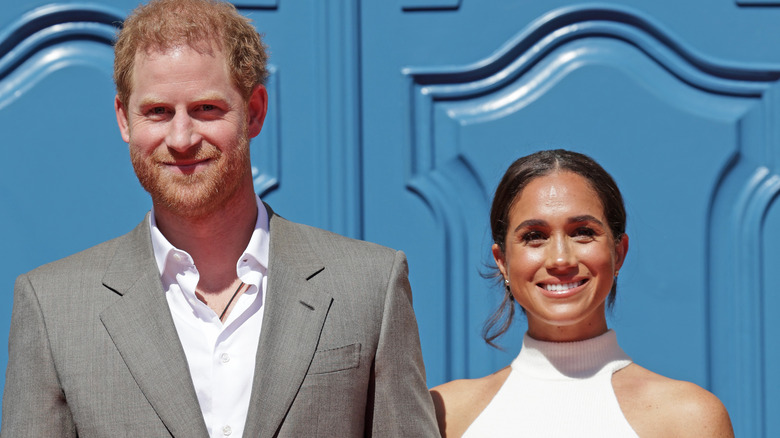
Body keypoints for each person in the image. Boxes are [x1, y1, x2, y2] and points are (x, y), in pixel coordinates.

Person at [1, 0, 438, 436]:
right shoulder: (53, 309)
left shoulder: (369, 286)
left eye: (206, 109)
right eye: (157, 112)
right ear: (124, 119)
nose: (181, 138)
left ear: (254, 112)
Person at [430, 149, 733, 437]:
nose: (561, 259)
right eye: (534, 237)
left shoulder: (690, 417)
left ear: (619, 252)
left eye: (583, 232)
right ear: (503, 262)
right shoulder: (444, 414)